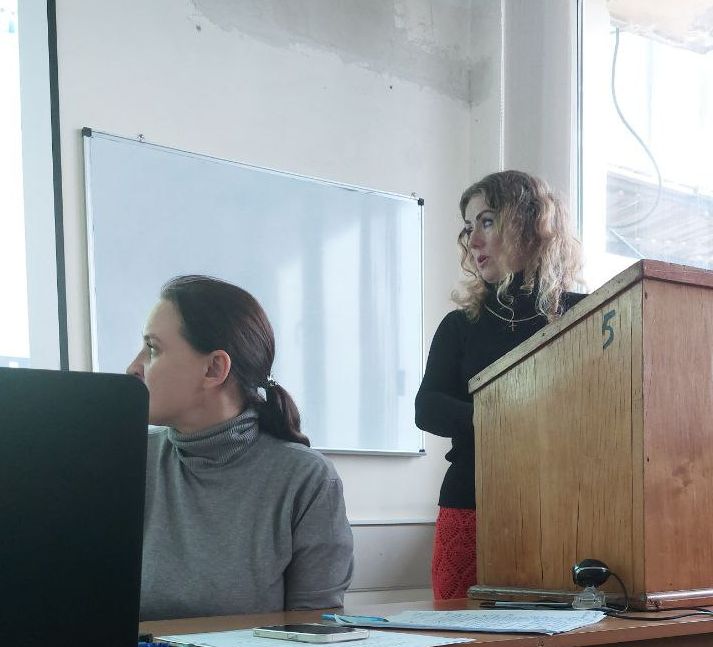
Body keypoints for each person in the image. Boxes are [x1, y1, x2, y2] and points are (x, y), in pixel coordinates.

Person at [127, 275, 354, 620]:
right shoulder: (129, 459)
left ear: (214, 368)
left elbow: (314, 628)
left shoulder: (306, 479)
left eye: (153, 349)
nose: (133, 367)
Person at [415, 170, 586, 600]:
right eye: (468, 227)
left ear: (530, 224)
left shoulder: (585, 315)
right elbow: (427, 407)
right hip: (470, 500)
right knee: (455, 627)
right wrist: (503, 419)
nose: (473, 240)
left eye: (487, 221)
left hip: (563, 505)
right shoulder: (460, 325)